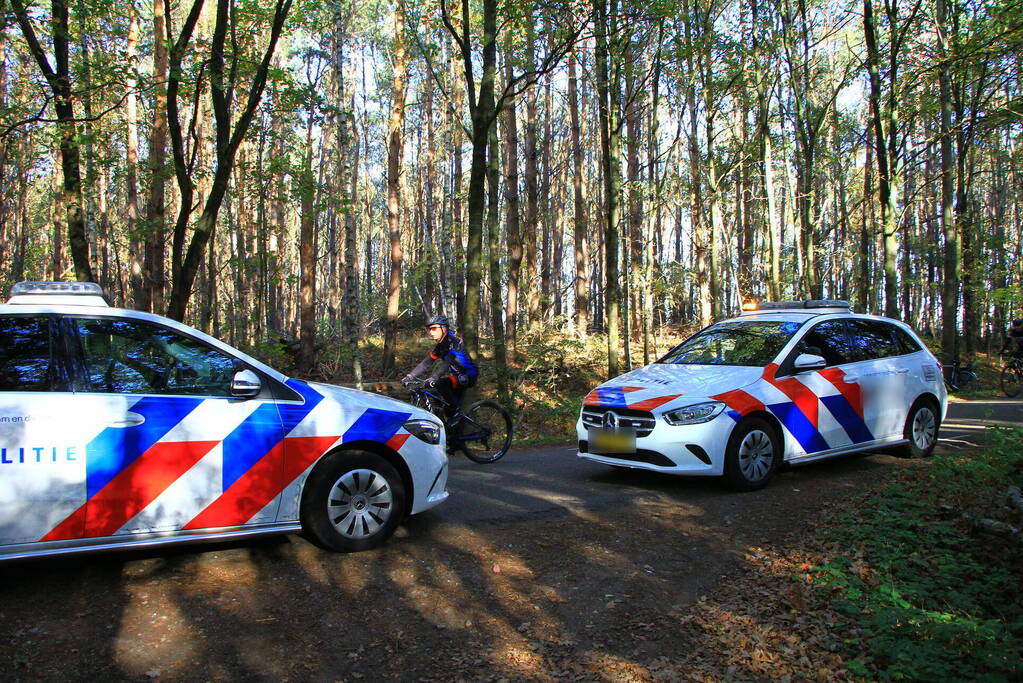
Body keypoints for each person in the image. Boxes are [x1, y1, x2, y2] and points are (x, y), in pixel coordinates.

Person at [401, 315, 478, 418]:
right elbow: (426, 362)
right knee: (445, 407)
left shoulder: (453, 342)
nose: (431, 332)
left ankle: (456, 410)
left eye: (434, 328)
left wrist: (434, 377)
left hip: (469, 375)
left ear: (444, 328)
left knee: (440, 384)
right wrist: (410, 376)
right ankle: (451, 421)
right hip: (458, 376)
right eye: (429, 329)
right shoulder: (440, 345)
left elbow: (447, 361)